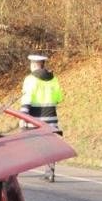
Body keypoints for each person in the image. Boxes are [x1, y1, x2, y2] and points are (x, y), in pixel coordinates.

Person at [20, 54, 64, 182]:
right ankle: (50, 173)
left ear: (33, 65)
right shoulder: (53, 78)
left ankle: (17, 170)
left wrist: (23, 117)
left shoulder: (30, 79)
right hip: (51, 116)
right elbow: (58, 98)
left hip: (35, 118)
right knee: (50, 145)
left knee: (22, 142)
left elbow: (26, 99)